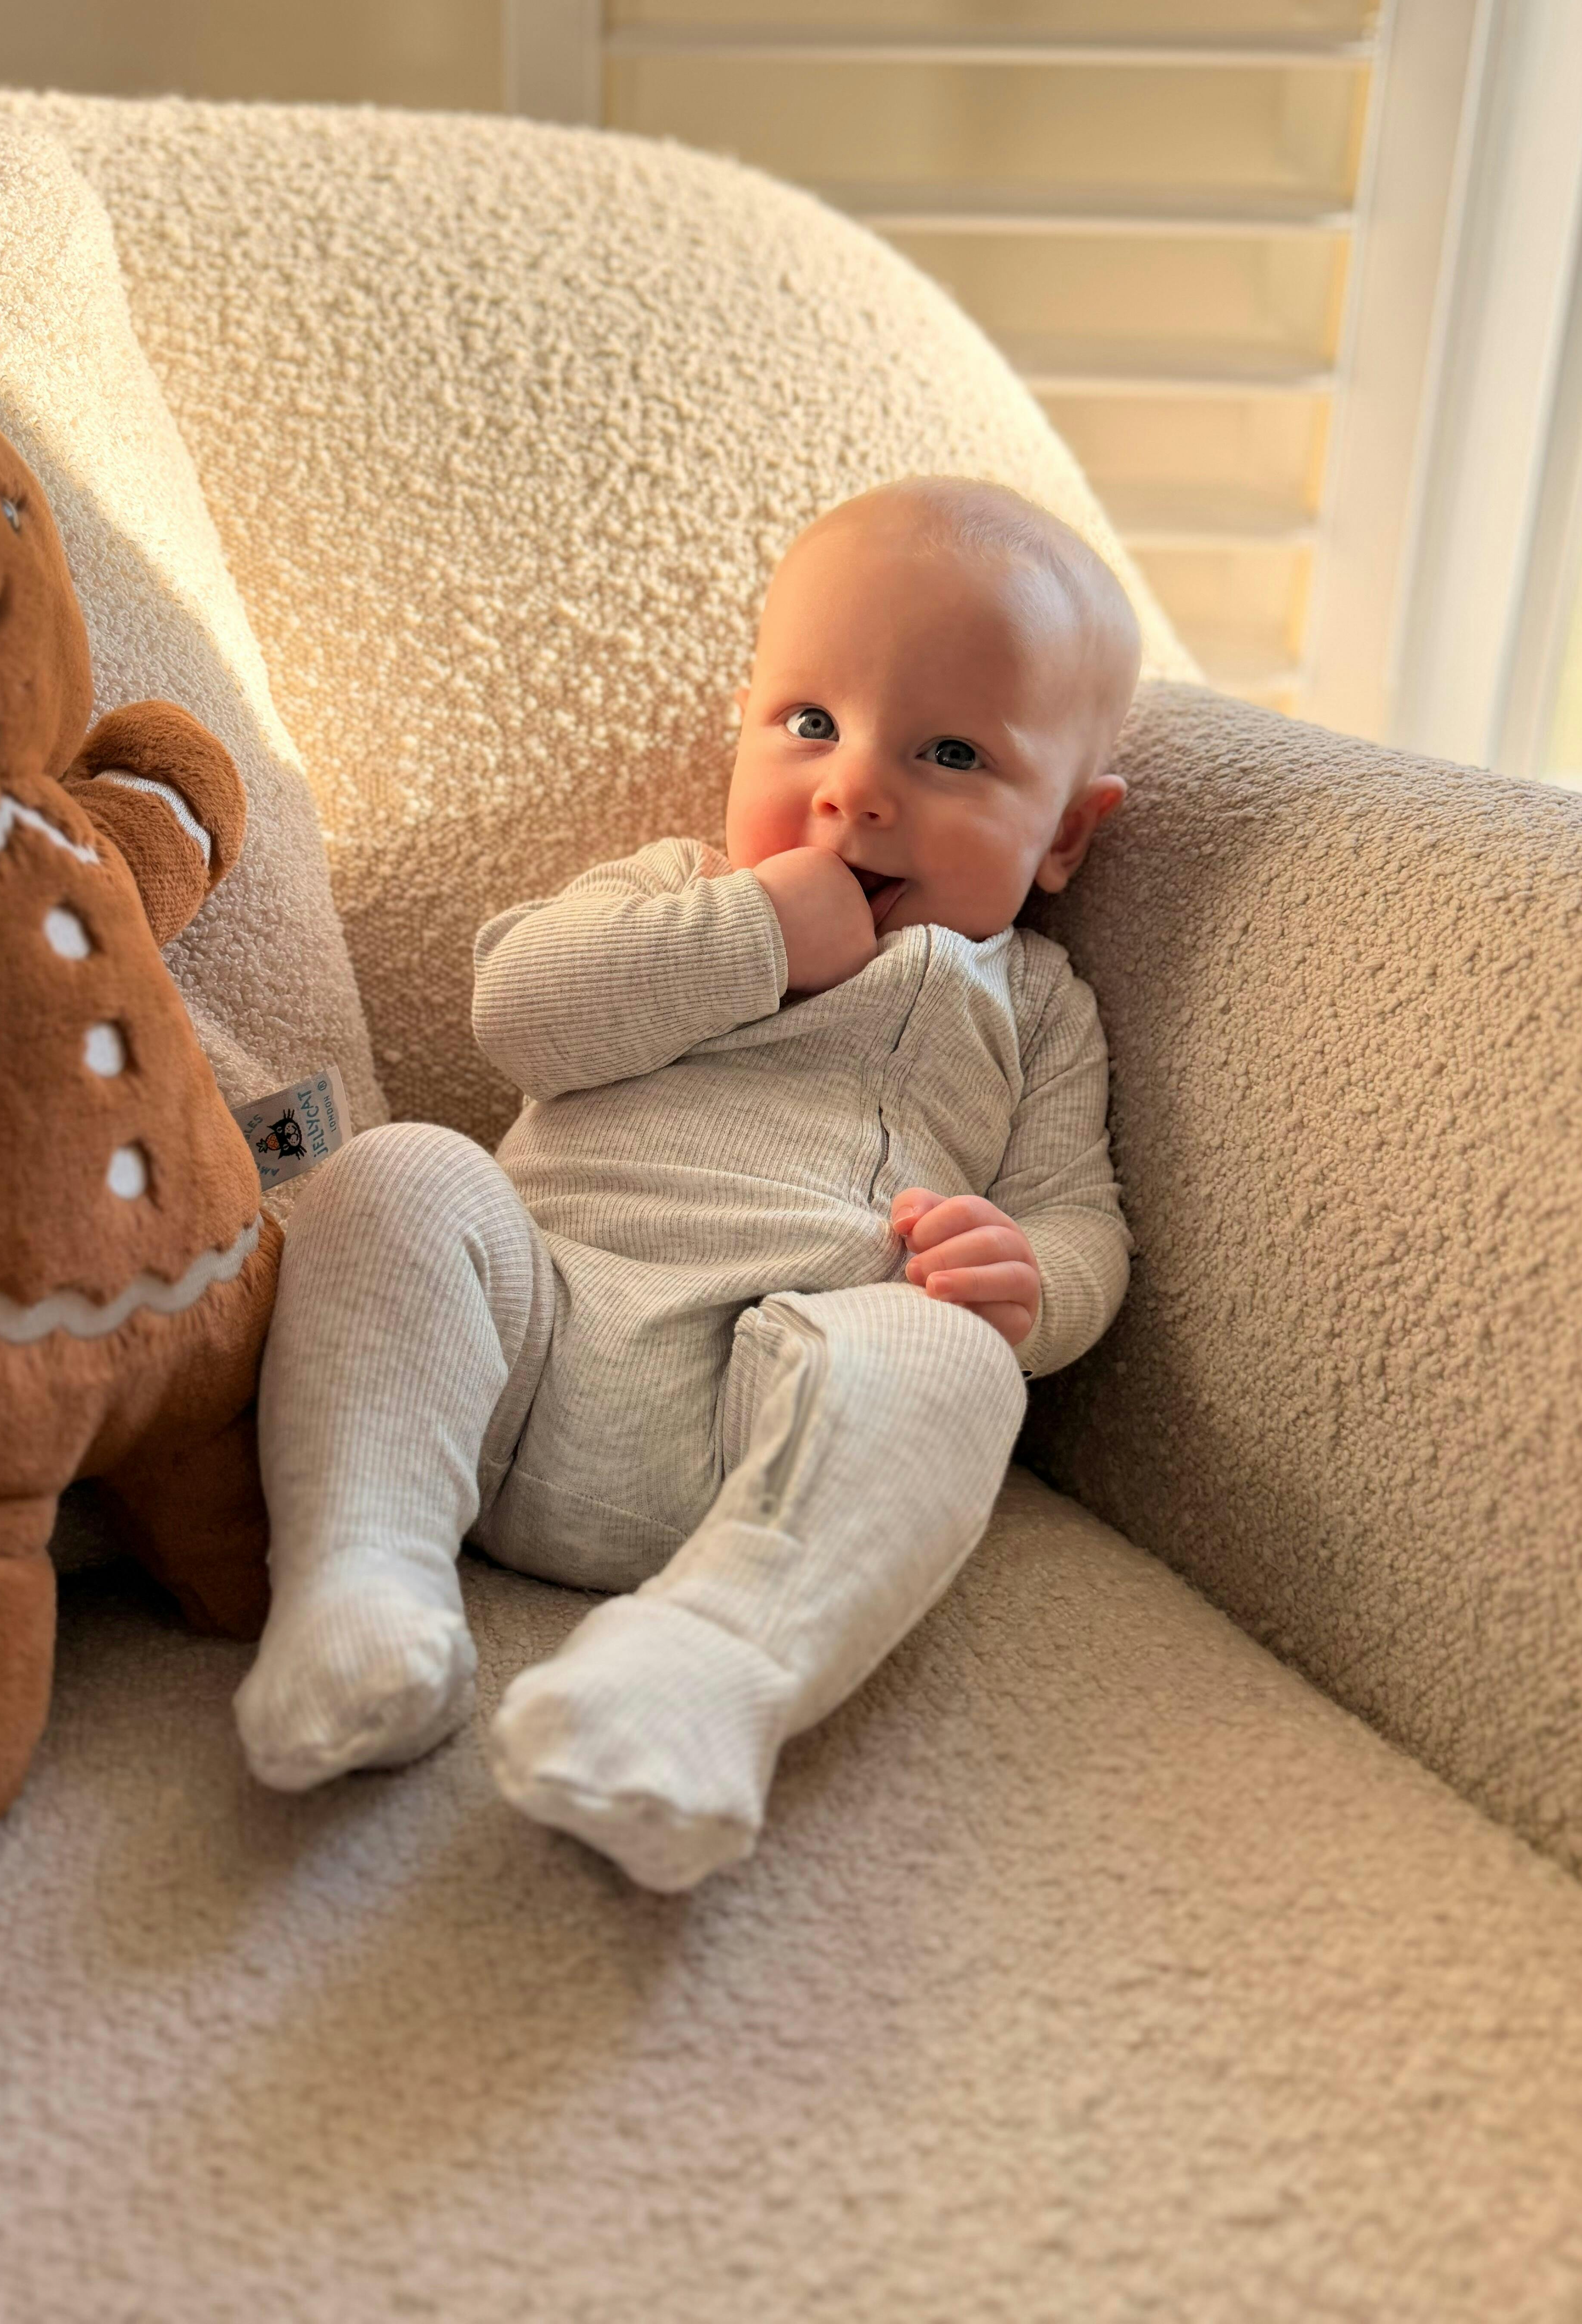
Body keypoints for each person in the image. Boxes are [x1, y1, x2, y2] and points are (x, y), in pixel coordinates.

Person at [233, 475, 1142, 1890]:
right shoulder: (672, 887)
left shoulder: (1032, 1002)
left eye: (953, 753)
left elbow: (1082, 1218)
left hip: (777, 1420)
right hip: (522, 1349)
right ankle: (363, 1583)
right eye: (810, 725)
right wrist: (754, 934)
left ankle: (699, 1671)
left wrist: (1032, 1282)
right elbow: (519, 1015)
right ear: (744, 727)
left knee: (955, 1363)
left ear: (1066, 836)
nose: (853, 791)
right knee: (397, 1175)